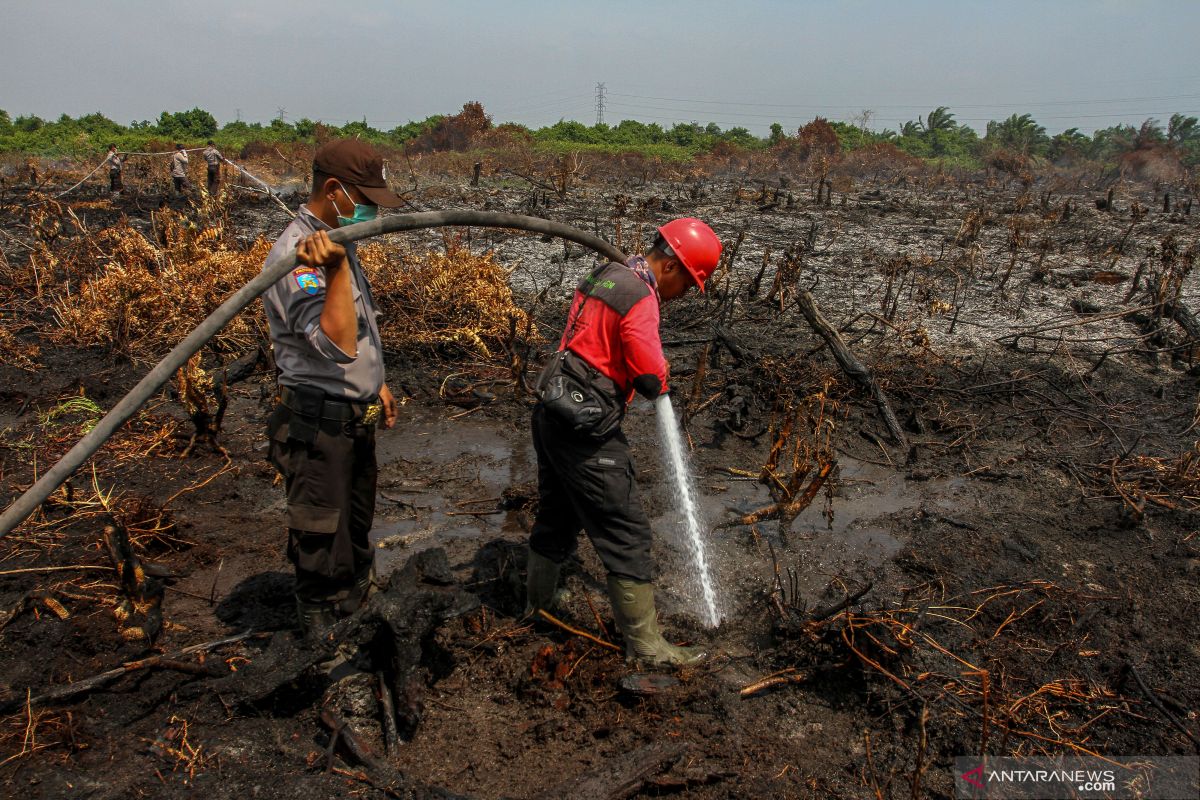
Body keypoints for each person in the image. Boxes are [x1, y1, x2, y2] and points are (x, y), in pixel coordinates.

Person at [526, 218, 722, 666]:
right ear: (671, 266)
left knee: (556, 512)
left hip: (552, 411)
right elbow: (649, 372)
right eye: (689, 284)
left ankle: (536, 608)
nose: (684, 294)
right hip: (585, 430)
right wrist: (661, 379)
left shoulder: (607, 274)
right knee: (627, 530)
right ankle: (648, 648)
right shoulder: (641, 297)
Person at [262, 139, 403, 639]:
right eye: (362, 197)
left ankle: (359, 613)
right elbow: (337, 345)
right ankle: (323, 641)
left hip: (352, 416)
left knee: (356, 530)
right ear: (334, 190)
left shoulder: (339, 236)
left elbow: (361, 333)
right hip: (318, 426)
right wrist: (336, 268)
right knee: (322, 541)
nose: (367, 210)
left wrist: (376, 384)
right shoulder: (299, 256)